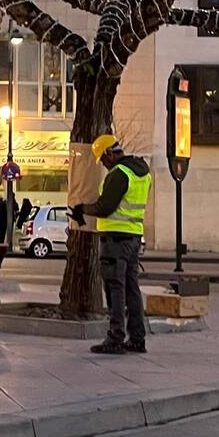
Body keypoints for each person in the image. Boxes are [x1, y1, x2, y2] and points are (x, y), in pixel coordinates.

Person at [71, 135, 152, 355]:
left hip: (115, 239)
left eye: (103, 160)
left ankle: (115, 338)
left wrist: (82, 209)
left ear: (109, 153)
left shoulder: (119, 174)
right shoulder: (142, 173)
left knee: (115, 289)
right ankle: (137, 338)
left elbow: (105, 207)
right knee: (131, 288)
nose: (104, 165)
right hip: (134, 237)